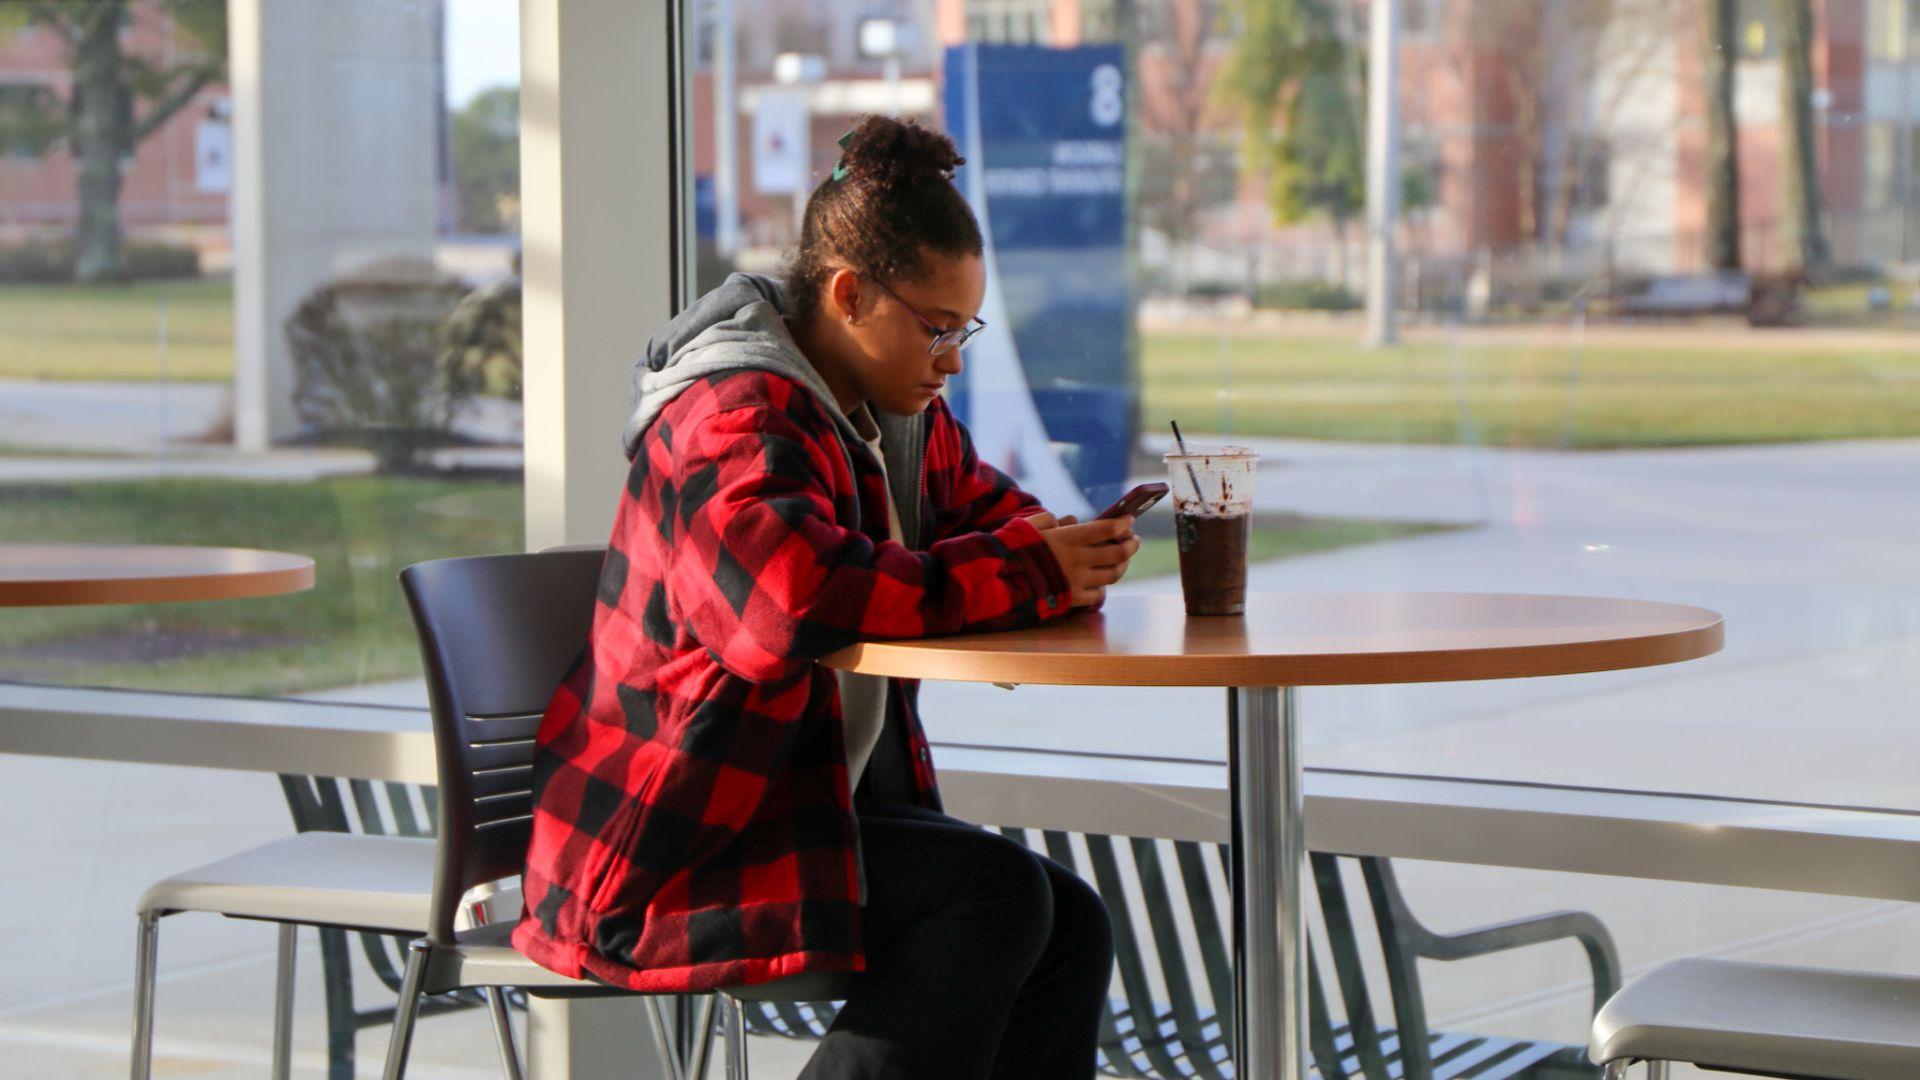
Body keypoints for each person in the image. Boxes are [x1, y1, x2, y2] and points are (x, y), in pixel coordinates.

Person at [512, 114, 1139, 1079]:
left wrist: (1062, 555)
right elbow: (789, 605)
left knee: (1069, 923)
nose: (954, 361)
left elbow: (995, 523)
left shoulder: (896, 416)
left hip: (799, 810)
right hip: (670, 848)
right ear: (849, 294)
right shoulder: (729, 417)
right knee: (998, 900)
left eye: (965, 330)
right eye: (938, 329)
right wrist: (1028, 568)